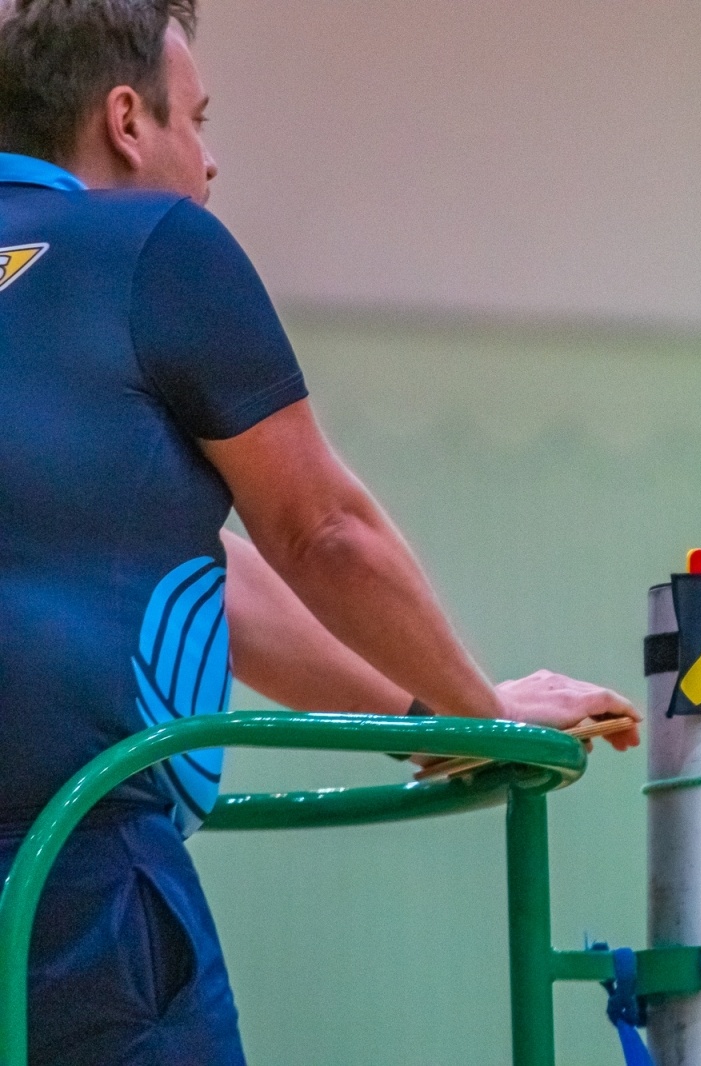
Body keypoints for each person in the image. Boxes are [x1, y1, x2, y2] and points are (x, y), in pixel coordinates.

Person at [0, 1, 640, 1061]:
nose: (208, 164)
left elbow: (203, 577)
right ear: (125, 119)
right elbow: (323, 532)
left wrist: (428, 709)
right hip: (72, 871)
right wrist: (484, 725)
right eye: (197, 121)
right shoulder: (158, 244)